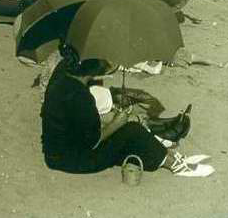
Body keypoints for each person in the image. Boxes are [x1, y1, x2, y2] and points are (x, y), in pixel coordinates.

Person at [41, 47, 214, 177]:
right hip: (72, 159)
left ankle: (166, 154)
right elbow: (92, 142)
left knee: (126, 135)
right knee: (132, 130)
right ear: (92, 71)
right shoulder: (79, 97)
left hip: (57, 150)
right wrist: (117, 122)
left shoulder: (64, 74)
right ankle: (173, 164)